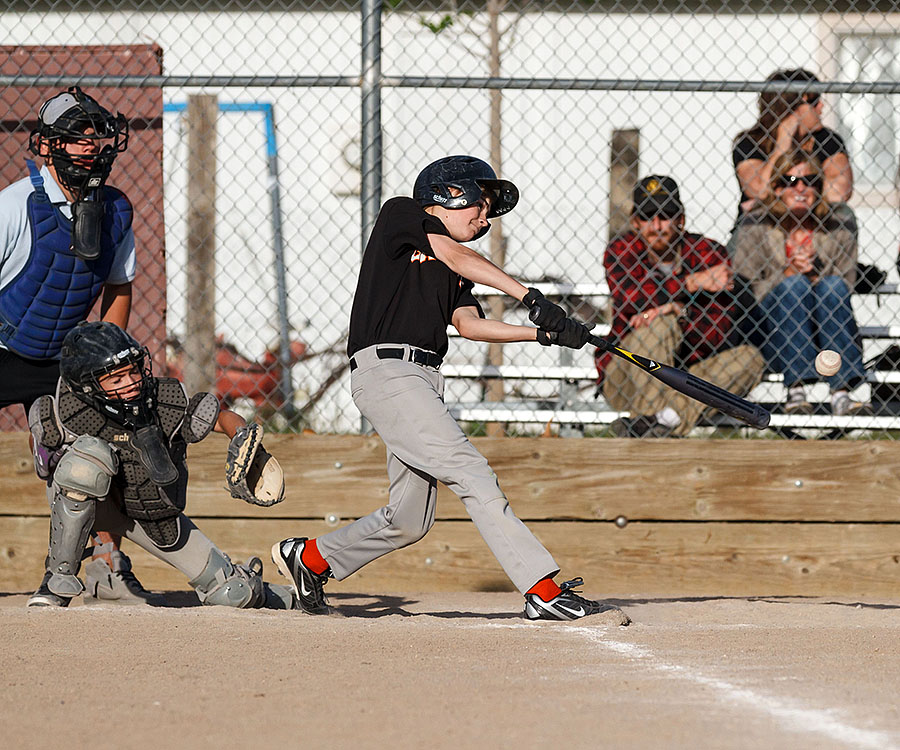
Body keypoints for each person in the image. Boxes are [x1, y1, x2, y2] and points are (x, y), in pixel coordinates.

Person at [272, 155, 629, 623]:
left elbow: (470, 324)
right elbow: (457, 254)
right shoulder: (401, 215)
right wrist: (530, 298)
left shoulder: (455, 269)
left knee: (408, 519)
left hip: (421, 380)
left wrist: (544, 334)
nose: (484, 217)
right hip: (387, 372)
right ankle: (542, 591)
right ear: (447, 195)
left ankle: (311, 559)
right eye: (478, 205)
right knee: (471, 471)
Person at [0, 86, 151, 605]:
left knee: (102, 447)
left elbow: (118, 287)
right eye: (75, 138)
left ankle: (105, 561)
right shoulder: (17, 205)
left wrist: (107, 363)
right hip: (3, 346)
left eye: (96, 137)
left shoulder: (114, 211)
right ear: (45, 147)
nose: (90, 148)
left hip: (61, 357)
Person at [27, 320, 295, 610]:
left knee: (233, 593)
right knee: (84, 464)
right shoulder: (70, 412)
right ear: (87, 387)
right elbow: (42, 453)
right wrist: (52, 456)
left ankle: (292, 595)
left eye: (132, 371)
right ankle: (56, 581)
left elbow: (219, 417)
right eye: (116, 379)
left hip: (151, 512)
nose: (130, 382)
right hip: (94, 504)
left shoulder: (162, 401)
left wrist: (241, 435)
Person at [599, 175, 765, 437]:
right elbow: (631, 299)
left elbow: (718, 331)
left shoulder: (709, 253)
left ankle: (662, 421)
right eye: (647, 216)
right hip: (628, 374)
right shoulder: (622, 249)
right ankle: (656, 434)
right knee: (658, 327)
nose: (657, 225)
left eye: (665, 215)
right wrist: (690, 284)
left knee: (751, 359)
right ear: (635, 221)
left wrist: (679, 312)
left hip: (691, 373)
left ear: (681, 220)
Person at [732, 151, 867, 415]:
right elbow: (745, 289)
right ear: (777, 187)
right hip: (770, 331)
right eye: (791, 180)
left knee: (832, 286)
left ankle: (841, 393)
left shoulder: (837, 227)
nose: (801, 188)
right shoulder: (754, 225)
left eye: (811, 181)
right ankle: (797, 390)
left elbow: (846, 283)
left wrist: (815, 276)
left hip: (825, 326)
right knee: (794, 287)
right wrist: (787, 274)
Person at [732, 68, 853, 218]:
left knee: (845, 215)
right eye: (814, 101)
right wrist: (783, 143)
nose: (821, 106)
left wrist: (782, 188)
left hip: (816, 229)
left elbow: (839, 192)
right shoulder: (750, 143)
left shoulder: (827, 140)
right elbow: (759, 190)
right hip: (764, 230)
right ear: (793, 107)